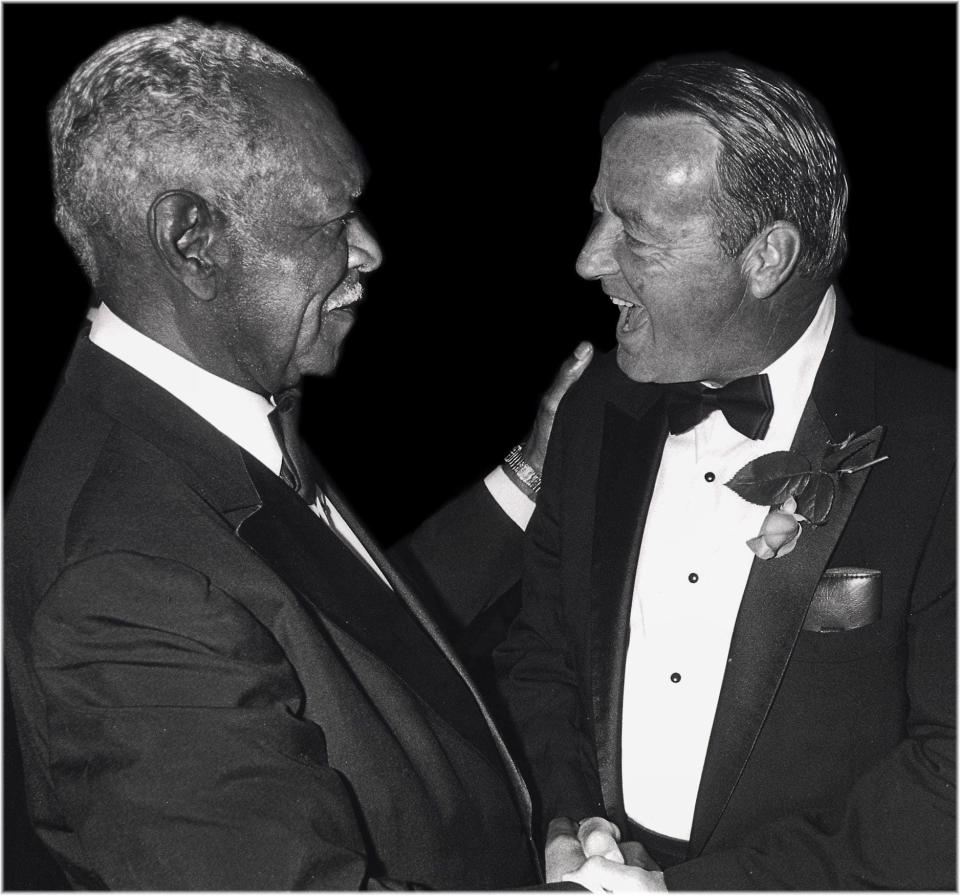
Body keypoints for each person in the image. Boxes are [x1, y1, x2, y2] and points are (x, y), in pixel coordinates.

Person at [3, 20, 596, 889]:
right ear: (191, 239)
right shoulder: (118, 585)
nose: (369, 250)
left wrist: (527, 476)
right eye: (330, 217)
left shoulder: (195, 420)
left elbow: (332, 626)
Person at [495, 54, 955, 890]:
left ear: (767, 256)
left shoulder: (943, 441)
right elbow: (542, 654)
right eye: (597, 214)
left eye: (634, 230)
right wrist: (568, 822)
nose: (590, 260)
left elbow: (951, 775)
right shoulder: (597, 405)